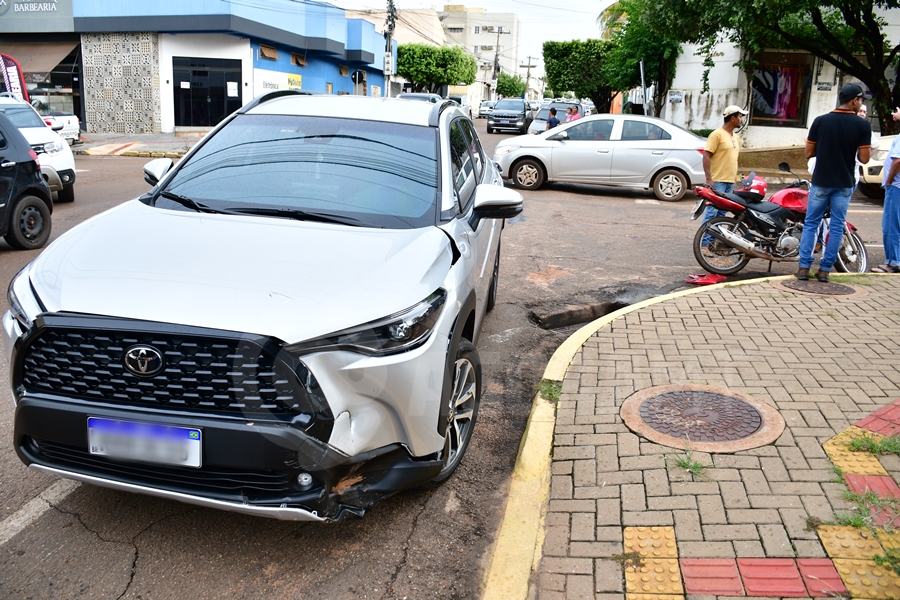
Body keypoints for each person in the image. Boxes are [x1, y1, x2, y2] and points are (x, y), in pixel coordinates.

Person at [796, 83, 872, 283]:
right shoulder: (862, 125)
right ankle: (825, 270)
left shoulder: (820, 121)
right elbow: (864, 159)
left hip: (821, 181)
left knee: (811, 223)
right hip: (844, 183)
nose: (861, 104)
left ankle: (804, 267)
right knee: (837, 225)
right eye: (861, 100)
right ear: (854, 100)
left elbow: (808, 153)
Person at [700, 105, 748, 249]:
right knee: (712, 212)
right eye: (740, 117)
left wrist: (736, 180)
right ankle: (703, 244)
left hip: (729, 181)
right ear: (732, 118)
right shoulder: (717, 135)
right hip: (717, 180)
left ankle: (712, 243)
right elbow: (706, 156)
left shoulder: (736, 138)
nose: (741, 119)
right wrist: (709, 179)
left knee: (721, 213)